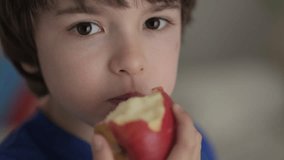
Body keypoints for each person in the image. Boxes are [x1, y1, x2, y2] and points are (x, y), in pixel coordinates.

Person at [0, 0, 216, 159]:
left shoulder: (188, 145)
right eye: (86, 28)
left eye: (154, 22)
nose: (132, 62)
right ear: (29, 53)